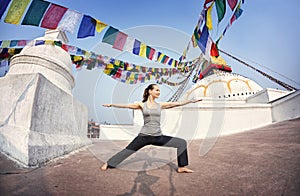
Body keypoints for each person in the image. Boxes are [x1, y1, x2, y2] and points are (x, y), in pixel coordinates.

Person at [100, 84, 202, 173]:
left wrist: (191, 101)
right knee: (128, 150)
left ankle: (181, 167)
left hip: (158, 137)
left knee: (181, 143)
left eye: (159, 91)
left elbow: (177, 103)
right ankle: (109, 163)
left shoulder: (160, 105)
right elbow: (127, 106)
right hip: (144, 136)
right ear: (150, 91)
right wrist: (112, 105)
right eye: (157, 90)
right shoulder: (141, 105)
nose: (159, 92)